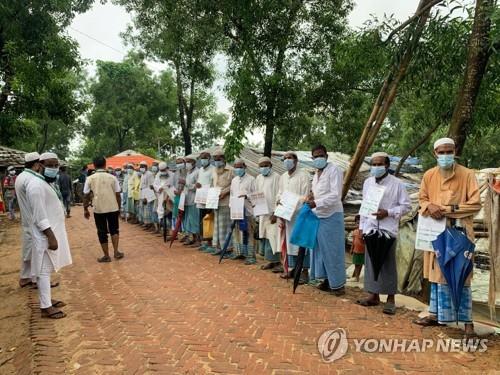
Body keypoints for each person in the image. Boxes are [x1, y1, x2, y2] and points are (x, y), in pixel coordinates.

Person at [414, 138, 481, 336]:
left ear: (455, 151)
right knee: (437, 274)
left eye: (449, 151)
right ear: (435, 154)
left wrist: (447, 209)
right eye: (441, 152)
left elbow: (475, 204)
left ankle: (468, 323)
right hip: (436, 232)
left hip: (460, 233)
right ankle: (436, 314)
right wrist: (429, 207)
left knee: (462, 274)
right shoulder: (429, 175)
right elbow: (422, 199)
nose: (445, 155)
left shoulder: (467, 175)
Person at [356, 152, 411, 312]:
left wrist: (388, 212)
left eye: (379, 164)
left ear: (387, 165)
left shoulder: (397, 184)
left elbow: (406, 206)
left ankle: (390, 299)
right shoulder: (367, 183)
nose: (376, 167)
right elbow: (365, 206)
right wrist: (361, 229)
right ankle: (373, 295)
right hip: (370, 228)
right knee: (371, 261)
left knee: (387, 263)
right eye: (373, 164)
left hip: (388, 229)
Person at [27, 152, 72, 319]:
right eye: (50, 165)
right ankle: (45, 307)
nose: (54, 168)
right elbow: (39, 215)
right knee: (43, 270)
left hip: (51, 231)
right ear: (40, 165)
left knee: (45, 270)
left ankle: (46, 300)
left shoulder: (44, 183)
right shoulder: (36, 186)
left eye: (56, 165)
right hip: (46, 234)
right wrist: (50, 236)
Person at [306, 145, 349, 295]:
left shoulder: (334, 170)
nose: (318, 159)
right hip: (318, 215)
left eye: (321, 155)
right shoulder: (316, 174)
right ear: (312, 159)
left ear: (326, 156)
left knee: (333, 250)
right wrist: (311, 198)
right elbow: (317, 193)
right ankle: (325, 279)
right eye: (315, 156)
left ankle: (338, 284)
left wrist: (316, 202)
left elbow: (336, 195)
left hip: (332, 215)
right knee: (320, 249)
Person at [276, 151, 311, 281]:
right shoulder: (283, 176)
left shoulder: (303, 175)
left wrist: (291, 201)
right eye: (284, 158)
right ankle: (292, 269)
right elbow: (279, 193)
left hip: (299, 214)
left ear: (296, 161)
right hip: (286, 214)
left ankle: (304, 271)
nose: (286, 160)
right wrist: (279, 200)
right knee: (290, 242)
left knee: (301, 242)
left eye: (289, 158)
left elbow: (306, 196)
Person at [83, 156, 124, 263]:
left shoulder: (90, 178)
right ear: (105, 164)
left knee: (101, 232)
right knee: (114, 230)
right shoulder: (112, 177)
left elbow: (86, 195)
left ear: (94, 165)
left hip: (98, 208)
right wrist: (119, 208)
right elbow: (118, 194)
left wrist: (85, 209)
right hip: (112, 207)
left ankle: (106, 256)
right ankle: (116, 252)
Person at [15, 152, 42, 288]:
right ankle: (36, 279)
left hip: (27, 218)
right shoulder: (30, 179)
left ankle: (26, 277)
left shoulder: (21, 177)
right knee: (35, 249)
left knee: (29, 248)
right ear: (36, 164)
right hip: (32, 219)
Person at [255, 157, 281, 271]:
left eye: (266, 165)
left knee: (273, 237)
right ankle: (270, 261)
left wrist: (276, 212)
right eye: (261, 166)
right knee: (265, 236)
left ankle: (277, 261)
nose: (263, 168)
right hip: (262, 212)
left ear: (271, 166)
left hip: (272, 213)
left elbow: (279, 195)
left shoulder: (277, 177)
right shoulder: (258, 178)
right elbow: (256, 194)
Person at [230, 159, 257, 264]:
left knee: (249, 232)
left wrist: (247, 196)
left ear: (245, 167)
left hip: (248, 210)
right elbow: (232, 195)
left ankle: (251, 256)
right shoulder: (234, 180)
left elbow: (255, 194)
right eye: (236, 167)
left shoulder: (251, 179)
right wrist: (232, 207)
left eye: (240, 167)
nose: (238, 169)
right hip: (237, 211)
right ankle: (239, 252)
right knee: (238, 232)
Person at [207, 150, 233, 255]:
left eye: (219, 159)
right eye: (215, 159)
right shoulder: (214, 171)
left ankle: (227, 248)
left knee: (225, 226)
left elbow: (234, 185)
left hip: (226, 202)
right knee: (217, 225)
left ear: (224, 158)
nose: (217, 161)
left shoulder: (231, 170)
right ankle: (218, 247)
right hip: (215, 202)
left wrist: (225, 192)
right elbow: (212, 185)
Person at [195, 150, 215, 250]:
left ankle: (210, 241)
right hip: (200, 199)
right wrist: (197, 185)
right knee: (202, 219)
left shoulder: (213, 169)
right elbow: (199, 182)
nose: (203, 160)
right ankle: (204, 241)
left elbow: (213, 184)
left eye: (205, 158)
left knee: (209, 219)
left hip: (209, 198)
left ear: (209, 159)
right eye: (201, 158)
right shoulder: (200, 170)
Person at [182, 155, 200, 245]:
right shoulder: (188, 172)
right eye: (186, 162)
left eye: (189, 162)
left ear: (193, 162)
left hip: (194, 199)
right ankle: (191, 238)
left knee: (194, 220)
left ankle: (197, 240)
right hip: (187, 199)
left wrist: (186, 184)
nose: (187, 164)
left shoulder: (197, 172)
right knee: (188, 220)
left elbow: (197, 187)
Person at [154, 162, 175, 235]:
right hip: (161, 196)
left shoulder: (172, 175)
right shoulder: (157, 175)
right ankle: (165, 230)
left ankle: (171, 232)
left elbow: (173, 185)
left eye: (163, 170)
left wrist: (168, 190)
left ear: (166, 168)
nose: (162, 172)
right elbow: (155, 185)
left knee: (170, 213)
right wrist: (159, 188)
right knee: (161, 213)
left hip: (170, 197)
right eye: (161, 170)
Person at [173, 157, 187, 240]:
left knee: (184, 215)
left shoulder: (187, 172)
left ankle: (186, 233)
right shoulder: (176, 173)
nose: (179, 164)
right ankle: (179, 233)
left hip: (185, 196)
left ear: (184, 162)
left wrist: (181, 191)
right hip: (177, 196)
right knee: (178, 215)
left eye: (180, 162)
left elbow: (188, 184)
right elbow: (174, 184)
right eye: (177, 163)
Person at [139, 161, 156, 230]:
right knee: (145, 209)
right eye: (140, 167)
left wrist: (146, 197)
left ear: (146, 167)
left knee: (149, 209)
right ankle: (146, 223)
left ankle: (150, 224)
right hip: (143, 193)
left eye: (143, 166)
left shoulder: (149, 174)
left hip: (148, 194)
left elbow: (150, 186)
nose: (141, 168)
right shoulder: (143, 174)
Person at [350, 215, 365, 282]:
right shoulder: (355, 231)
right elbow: (353, 241)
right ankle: (356, 277)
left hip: (363, 251)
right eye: (357, 223)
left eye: (360, 223)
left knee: (362, 264)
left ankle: (365, 278)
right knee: (356, 264)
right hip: (356, 251)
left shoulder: (364, 232)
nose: (358, 224)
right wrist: (351, 249)